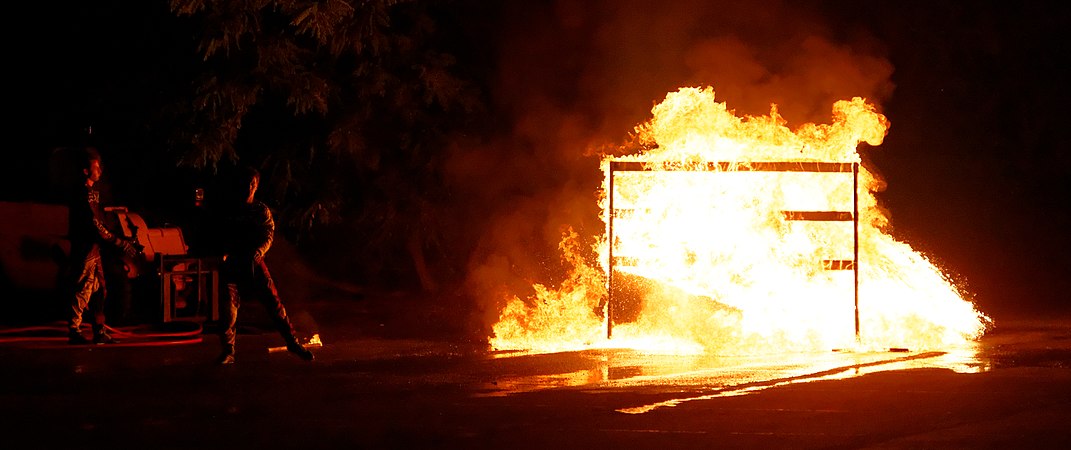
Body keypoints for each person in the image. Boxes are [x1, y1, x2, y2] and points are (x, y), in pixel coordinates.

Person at [216, 166, 313, 364]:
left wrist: (258, 251)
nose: (249, 187)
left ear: (256, 186)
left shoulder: (260, 210)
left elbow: (268, 234)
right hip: (233, 263)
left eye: (253, 184)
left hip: (254, 262)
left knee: (274, 304)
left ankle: (292, 343)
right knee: (228, 311)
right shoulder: (229, 210)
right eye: (246, 183)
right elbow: (219, 233)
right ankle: (228, 351)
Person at [65, 147, 141, 345]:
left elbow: (99, 218)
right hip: (85, 249)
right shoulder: (82, 192)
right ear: (85, 171)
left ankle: (99, 330)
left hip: (94, 248)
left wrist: (117, 237)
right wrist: (119, 243)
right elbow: (93, 223)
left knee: (100, 289)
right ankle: (74, 330)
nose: (99, 171)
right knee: (83, 289)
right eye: (95, 167)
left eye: (99, 167)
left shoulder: (92, 191)